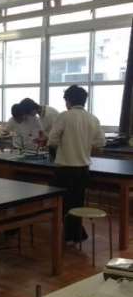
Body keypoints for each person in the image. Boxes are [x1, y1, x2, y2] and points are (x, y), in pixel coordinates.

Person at [48, 85, 106, 243]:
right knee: (77, 203)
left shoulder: (64, 116)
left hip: (65, 169)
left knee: (62, 204)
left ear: (68, 100)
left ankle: (70, 235)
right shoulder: (92, 118)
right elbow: (101, 142)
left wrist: (58, 150)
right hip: (83, 169)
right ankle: (76, 234)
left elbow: (52, 140)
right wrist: (84, 145)